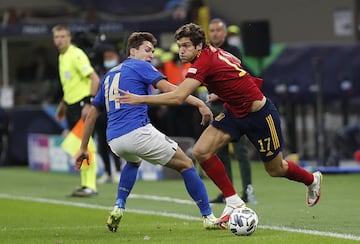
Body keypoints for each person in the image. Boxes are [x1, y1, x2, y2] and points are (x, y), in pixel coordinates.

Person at [118, 23, 323, 227]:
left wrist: (140, 99)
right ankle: (233, 200)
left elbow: (179, 97)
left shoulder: (203, 62)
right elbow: (236, 63)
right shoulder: (211, 52)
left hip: (260, 115)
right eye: (180, 45)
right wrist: (223, 89)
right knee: (201, 151)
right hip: (234, 112)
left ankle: (311, 180)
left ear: (199, 46)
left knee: (276, 169)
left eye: (186, 46)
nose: (181, 51)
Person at [74, 31, 219, 232]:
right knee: (186, 164)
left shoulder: (109, 75)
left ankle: (118, 206)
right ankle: (209, 217)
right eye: (147, 50)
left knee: (134, 161)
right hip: (137, 132)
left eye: (152, 51)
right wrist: (199, 103)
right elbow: (172, 89)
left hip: (114, 139)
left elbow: (91, 114)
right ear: (132, 51)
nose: (151, 55)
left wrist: (83, 147)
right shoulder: (141, 66)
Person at [207, 18, 256, 204]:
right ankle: (228, 193)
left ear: (225, 33)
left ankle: (248, 190)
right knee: (221, 152)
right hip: (215, 107)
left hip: (233, 105)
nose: (215, 34)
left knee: (240, 150)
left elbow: (240, 79)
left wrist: (218, 95)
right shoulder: (208, 52)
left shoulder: (233, 52)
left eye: (218, 30)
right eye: (212, 31)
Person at [52, 24, 100, 197]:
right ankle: (85, 183)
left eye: (63, 36)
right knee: (77, 146)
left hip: (81, 105)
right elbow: (70, 84)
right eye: (57, 37)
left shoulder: (76, 54)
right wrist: (63, 105)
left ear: (69, 37)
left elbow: (95, 79)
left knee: (86, 146)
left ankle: (91, 185)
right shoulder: (62, 57)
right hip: (71, 105)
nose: (60, 40)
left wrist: (88, 103)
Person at [96, 44, 124, 184]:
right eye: (106, 57)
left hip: (114, 113)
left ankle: (118, 171)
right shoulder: (100, 72)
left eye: (110, 57)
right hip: (101, 113)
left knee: (114, 144)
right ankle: (107, 172)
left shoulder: (122, 72)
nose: (108, 59)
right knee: (101, 146)